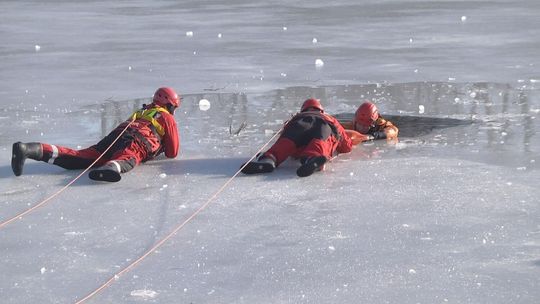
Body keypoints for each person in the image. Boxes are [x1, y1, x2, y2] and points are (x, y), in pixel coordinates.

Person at [11, 87, 181, 182]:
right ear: (169, 104)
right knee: (128, 157)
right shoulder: (167, 117)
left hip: (116, 136)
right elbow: (172, 152)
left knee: (83, 156)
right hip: (138, 141)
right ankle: (109, 169)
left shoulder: (143, 111)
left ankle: (29, 149)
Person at [241, 98, 354, 177]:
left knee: (287, 142)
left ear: (303, 109)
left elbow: (283, 136)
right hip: (322, 126)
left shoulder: (296, 118)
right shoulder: (328, 118)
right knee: (320, 142)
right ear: (321, 110)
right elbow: (346, 146)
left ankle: (269, 160)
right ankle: (312, 159)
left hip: (299, 126)